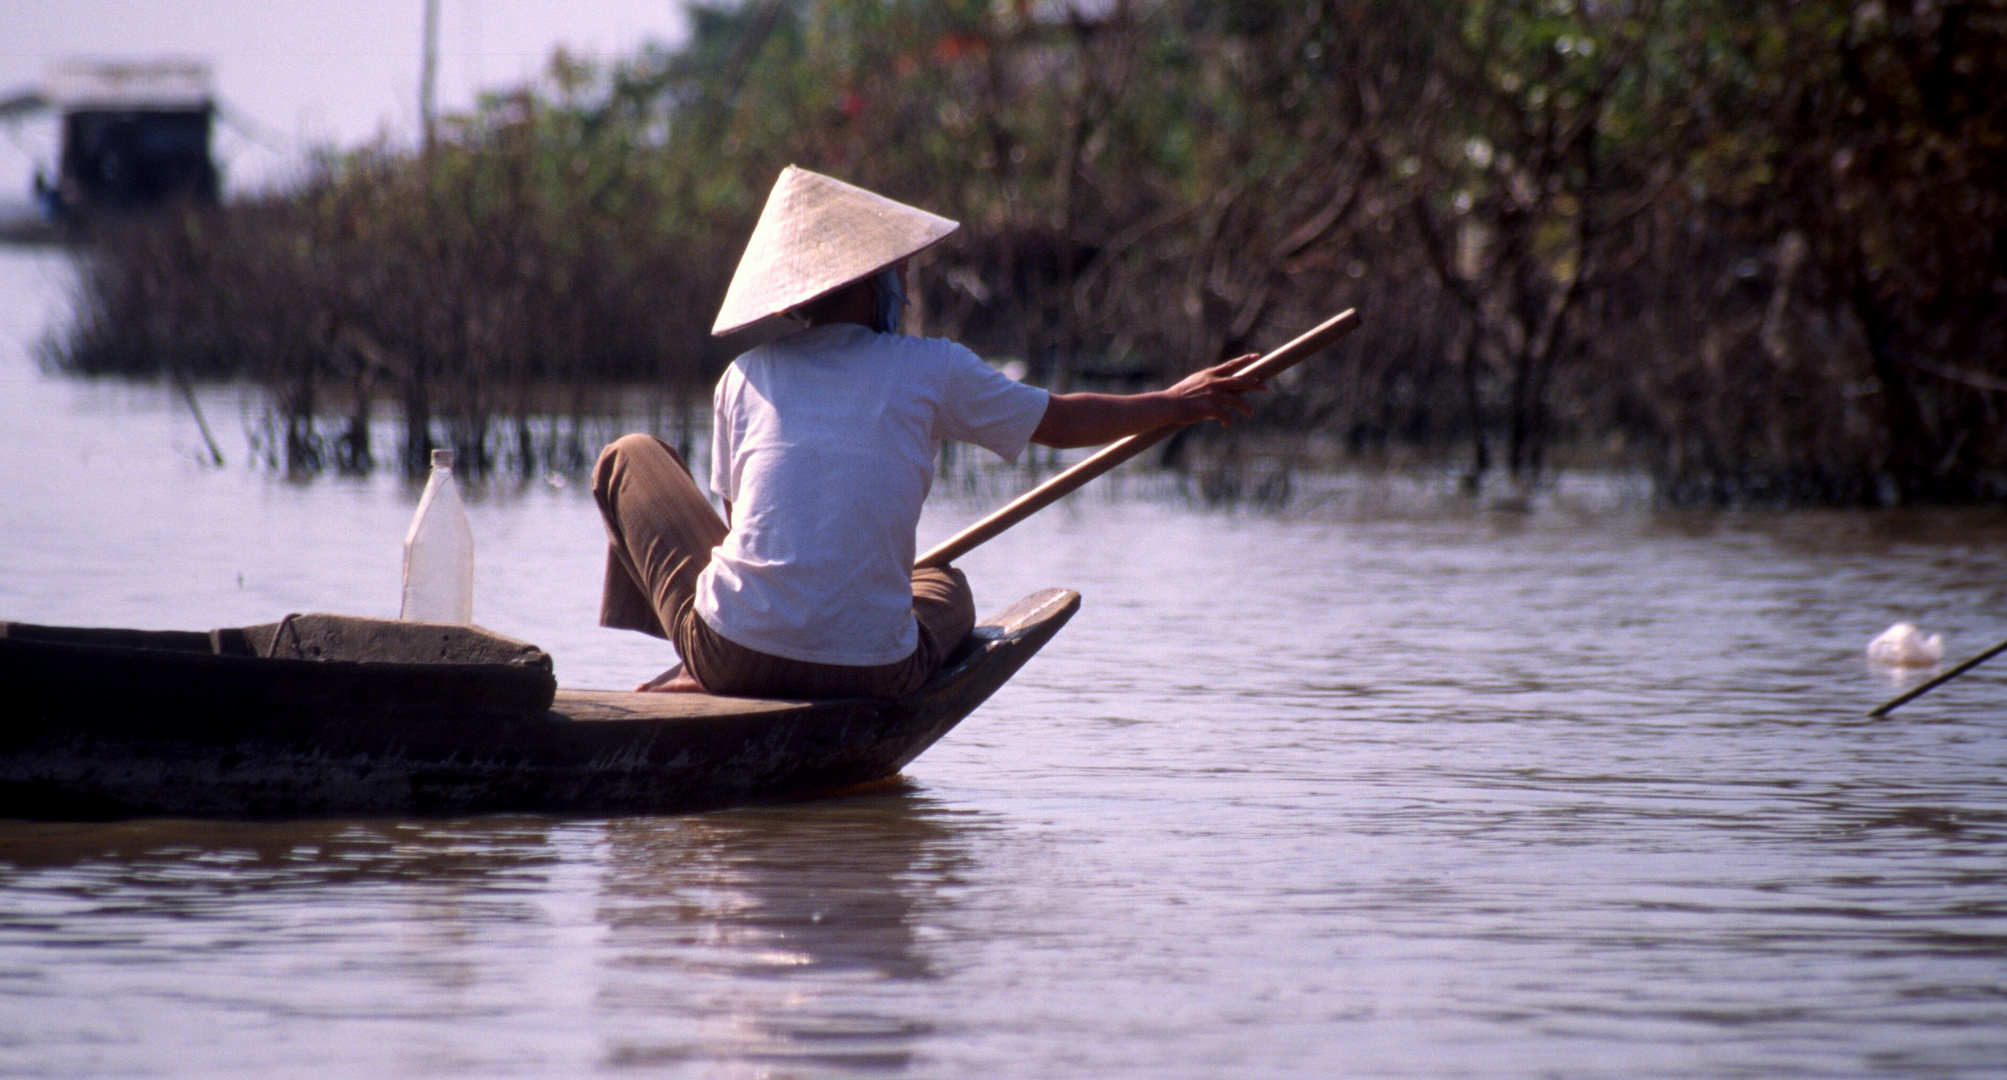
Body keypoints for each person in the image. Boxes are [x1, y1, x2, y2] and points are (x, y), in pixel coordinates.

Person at [593, 166, 1265, 698]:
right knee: (945, 588)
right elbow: (1060, 420)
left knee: (629, 456)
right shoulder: (930, 367)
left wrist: (734, 645)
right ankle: (721, 652)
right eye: (901, 276)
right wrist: (1174, 403)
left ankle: (695, 658)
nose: (906, 293)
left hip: (731, 657)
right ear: (868, 285)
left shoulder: (745, 374)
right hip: (875, 671)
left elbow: (739, 532)